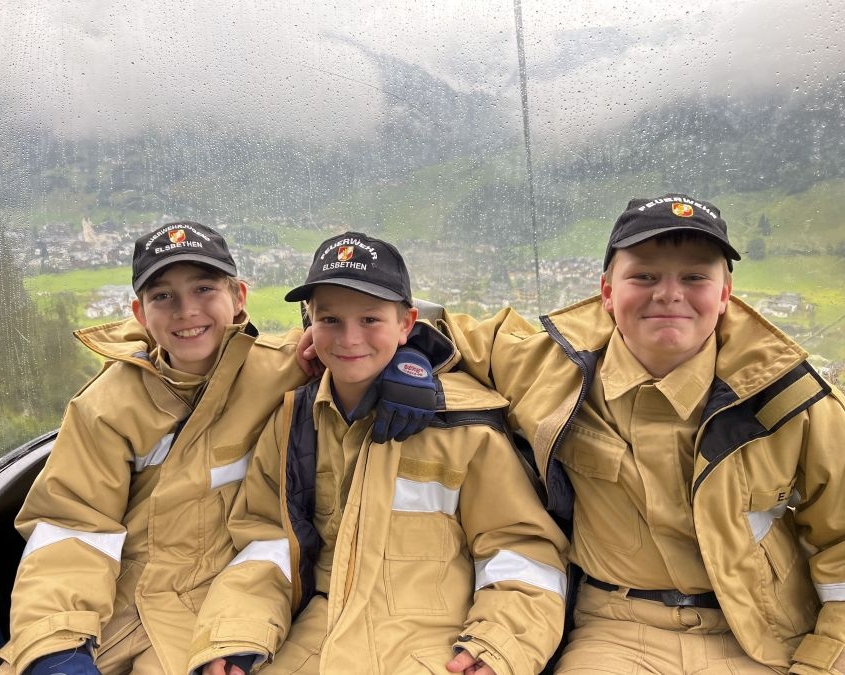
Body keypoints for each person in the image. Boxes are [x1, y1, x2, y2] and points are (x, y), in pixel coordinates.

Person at [312, 197, 845, 674]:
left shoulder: (789, 397)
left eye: (693, 278)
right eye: (645, 277)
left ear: (726, 294)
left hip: (762, 634)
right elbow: (402, 321)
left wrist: (824, 662)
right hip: (617, 631)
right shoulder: (551, 367)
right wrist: (407, 358)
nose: (668, 295)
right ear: (608, 293)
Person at [0, 223, 432, 675]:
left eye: (204, 288)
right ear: (139, 313)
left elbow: (376, 331)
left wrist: (415, 359)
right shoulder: (104, 408)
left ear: (239, 297)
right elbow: (72, 528)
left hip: (221, 605)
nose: (187, 311)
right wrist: (57, 643)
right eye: (163, 296)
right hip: (114, 608)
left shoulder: (285, 365)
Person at [187, 231, 568, 675]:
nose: (349, 339)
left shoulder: (463, 429)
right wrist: (235, 636)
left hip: (436, 647)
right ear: (309, 322)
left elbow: (519, 550)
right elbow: (268, 545)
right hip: (315, 641)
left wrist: (497, 647)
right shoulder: (293, 422)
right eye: (329, 320)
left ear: (407, 324)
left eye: (370, 319)